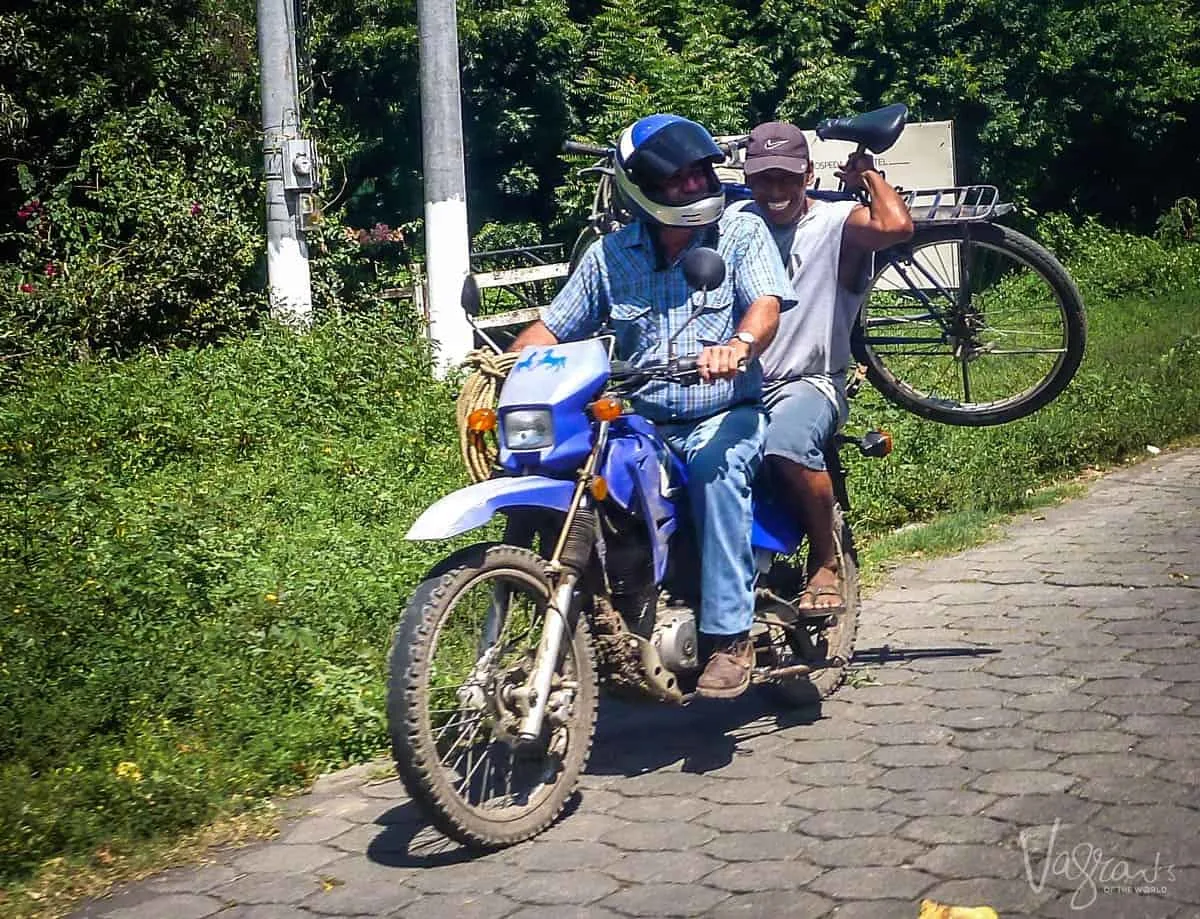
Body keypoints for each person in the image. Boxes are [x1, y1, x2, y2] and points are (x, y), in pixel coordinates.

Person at [509, 113, 794, 698]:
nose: (695, 186)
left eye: (700, 173)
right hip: (638, 421)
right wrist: (503, 367)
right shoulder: (610, 256)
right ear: (642, 187)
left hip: (722, 412)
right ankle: (613, 613)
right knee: (572, 477)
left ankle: (729, 636)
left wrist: (738, 345)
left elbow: (765, 305)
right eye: (679, 180)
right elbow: (553, 328)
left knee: (717, 472)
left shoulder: (739, 233)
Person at [738, 121, 914, 613]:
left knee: (785, 444)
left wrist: (869, 178)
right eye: (764, 179)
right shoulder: (735, 224)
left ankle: (825, 560)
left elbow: (897, 228)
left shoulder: (835, 222)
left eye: (787, 178)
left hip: (809, 383)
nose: (775, 191)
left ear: (807, 175)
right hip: (736, 388)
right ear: (747, 178)